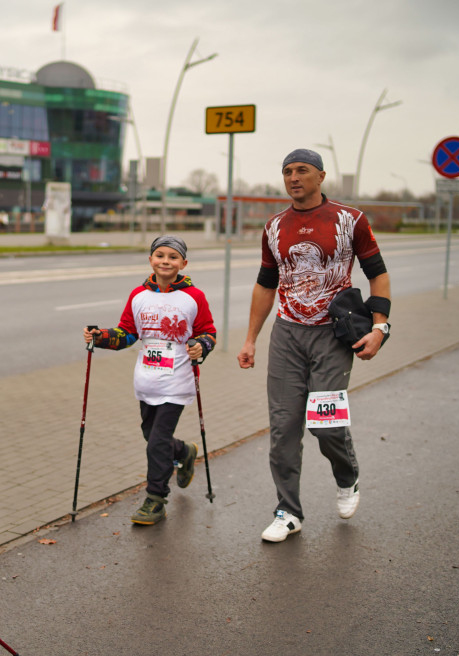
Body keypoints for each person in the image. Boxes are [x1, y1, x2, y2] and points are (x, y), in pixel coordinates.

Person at [237, 149, 391, 543]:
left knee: (326, 426)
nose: (293, 177)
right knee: (284, 427)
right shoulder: (274, 226)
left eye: (302, 170)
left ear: (321, 176)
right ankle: (288, 511)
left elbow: (378, 275)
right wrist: (251, 338)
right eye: (287, 171)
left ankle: (347, 476)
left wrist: (380, 328)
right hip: (287, 334)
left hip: (333, 334)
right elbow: (265, 284)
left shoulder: (350, 220)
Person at [83, 235, 216, 525]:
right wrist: (101, 337)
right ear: (151, 260)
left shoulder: (194, 297)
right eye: (160, 255)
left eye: (172, 257)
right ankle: (184, 451)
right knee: (154, 437)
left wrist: (201, 345)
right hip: (146, 380)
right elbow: (127, 334)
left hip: (178, 379)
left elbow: (208, 332)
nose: (165, 261)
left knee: (156, 442)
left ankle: (155, 499)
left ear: (183, 263)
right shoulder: (138, 295)